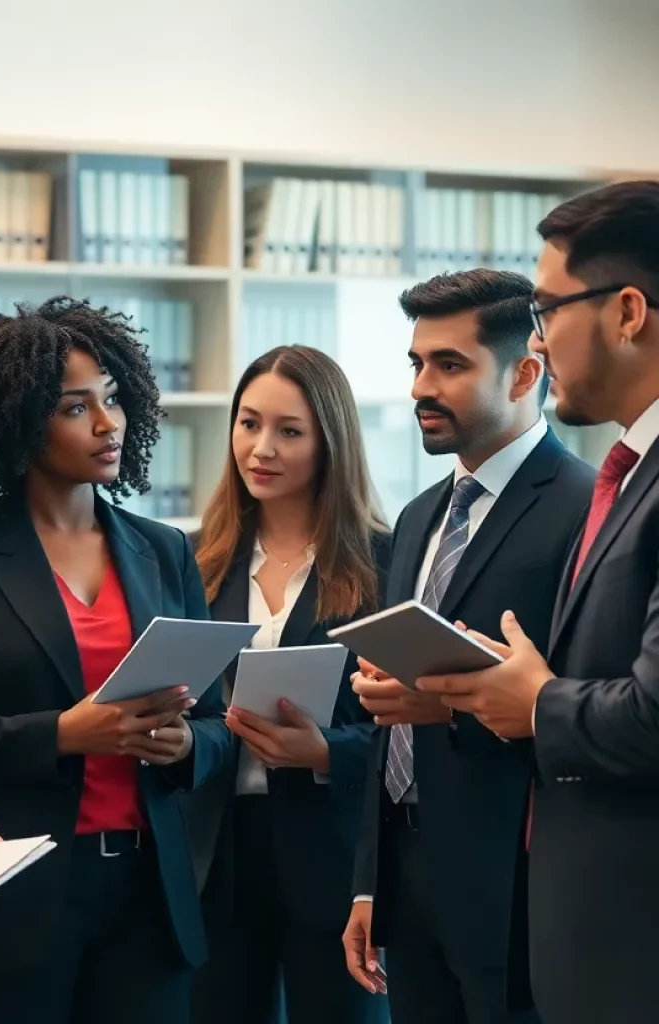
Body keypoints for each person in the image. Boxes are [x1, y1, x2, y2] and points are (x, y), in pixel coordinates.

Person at [0, 297, 231, 1024]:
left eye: (112, 398)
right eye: (77, 408)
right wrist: (64, 734)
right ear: (20, 422)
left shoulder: (165, 550)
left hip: (148, 899)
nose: (109, 423)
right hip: (12, 892)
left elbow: (215, 722)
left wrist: (185, 745)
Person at [414, 182, 659, 1024]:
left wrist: (534, 701)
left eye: (550, 310)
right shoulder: (630, 476)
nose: (542, 341)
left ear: (627, 312)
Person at [343, 269, 595, 1024]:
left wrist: (450, 707)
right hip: (407, 877)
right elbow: (390, 726)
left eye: (450, 365)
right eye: (417, 363)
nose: (422, 386)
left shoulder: (587, 509)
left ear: (524, 373)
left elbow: (588, 707)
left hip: (516, 887)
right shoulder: (419, 515)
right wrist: (369, 883)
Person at [184, 345, 390, 1024]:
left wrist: (330, 751)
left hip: (333, 859)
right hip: (215, 856)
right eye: (248, 423)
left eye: (289, 431)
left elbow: (413, 728)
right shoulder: (192, 560)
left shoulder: (385, 562)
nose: (261, 448)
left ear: (330, 443)